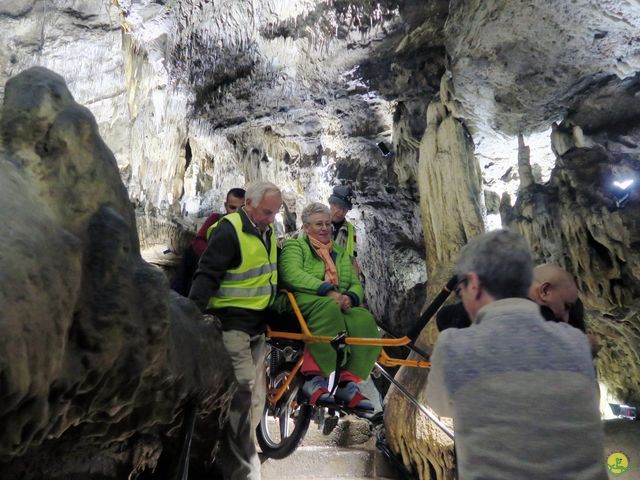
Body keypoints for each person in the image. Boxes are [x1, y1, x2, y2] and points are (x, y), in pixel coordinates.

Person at [425, 230, 606, 480]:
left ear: (474, 285)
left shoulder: (454, 346)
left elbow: (439, 405)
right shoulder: (577, 343)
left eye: (462, 290)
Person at [189, 181, 282, 480]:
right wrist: (191, 315)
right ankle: (243, 470)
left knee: (256, 400)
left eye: (276, 213)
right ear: (250, 204)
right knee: (242, 393)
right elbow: (207, 274)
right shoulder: (230, 231)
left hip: (258, 326)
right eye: (268, 212)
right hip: (231, 325)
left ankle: (228, 456)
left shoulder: (268, 232)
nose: (272, 218)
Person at [275, 202, 380, 410]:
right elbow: (291, 274)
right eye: (318, 224)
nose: (324, 228)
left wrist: (350, 296)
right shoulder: (295, 246)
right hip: (299, 298)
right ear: (306, 227)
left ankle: (347, 383)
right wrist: (327, 291)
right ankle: (315, 378)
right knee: (327, 308)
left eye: (327, 224)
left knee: (363, 318)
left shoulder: (339, 253)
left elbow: (353, 282)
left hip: (334, 300)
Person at [171, 188, 245, 296]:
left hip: (234, 274)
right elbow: (198, 241)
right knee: (190, 252)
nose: (236, 212)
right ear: (225, 206)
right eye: (232, 207)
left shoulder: (251, 227)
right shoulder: (216, 219)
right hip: (211, 265)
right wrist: (213, 257)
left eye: (241, 208)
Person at [328, 185, 357, 258]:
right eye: (339, 207)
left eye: (345, 208)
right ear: (331, 203)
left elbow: (353, 258)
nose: (341, 212)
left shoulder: (351, 230)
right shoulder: (314, 223)